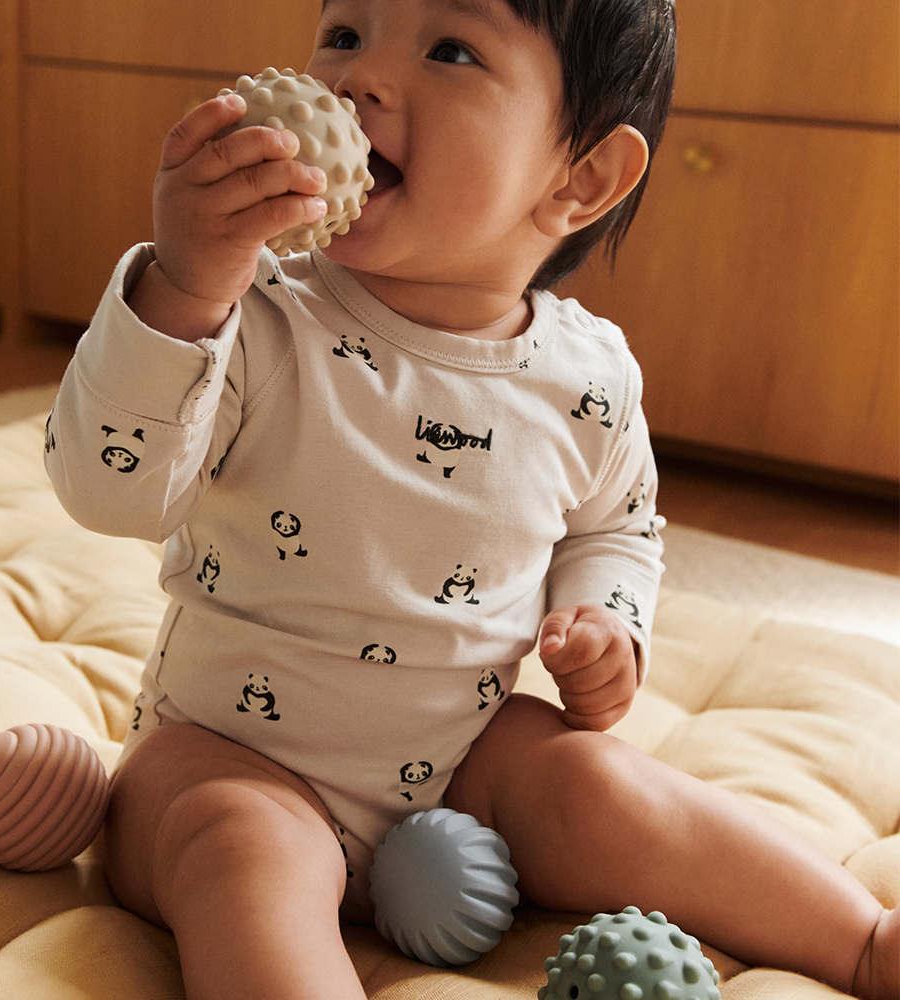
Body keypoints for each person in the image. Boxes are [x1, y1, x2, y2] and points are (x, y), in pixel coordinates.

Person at [44, 1, 899, 998]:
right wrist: (184, 293)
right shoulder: (256, 313)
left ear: (581, 178)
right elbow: (108, 491)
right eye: (344, 34)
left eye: (449, 49)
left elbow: (616, 527)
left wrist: (605, 622)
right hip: (228, 757)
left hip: (459, 764)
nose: (357, 78)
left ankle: (861, 941)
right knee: (240, 846)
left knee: (597, 783)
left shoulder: (587, 377)